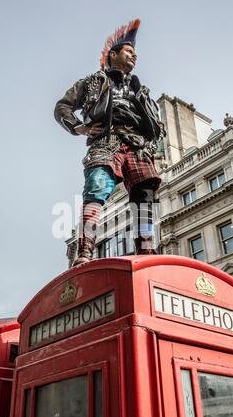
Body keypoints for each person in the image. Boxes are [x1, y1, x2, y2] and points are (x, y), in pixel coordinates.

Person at [54, 19, 165, 266]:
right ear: (113, 54)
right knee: (95, 191)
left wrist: (151, 139)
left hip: (137, 145)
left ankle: (146, 249)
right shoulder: (92, 81)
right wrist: (78, 127)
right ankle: (85, 252)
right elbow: (62, 106)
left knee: (145, 194)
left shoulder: (140, 89)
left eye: (136, 53)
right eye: (129, 52)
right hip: (106, 141)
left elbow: (153, 122)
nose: (134, 57)